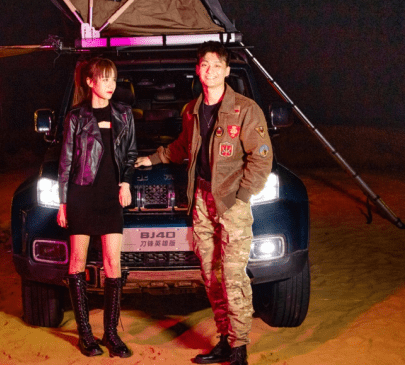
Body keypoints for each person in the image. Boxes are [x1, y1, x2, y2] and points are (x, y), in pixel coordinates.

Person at [135, 41, 273, 365]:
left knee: (234, 277)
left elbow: (261, 159)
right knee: (211, 276)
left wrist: (242, 196)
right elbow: (184, 146)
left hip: (231, 203)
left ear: (226, 70)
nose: (210, 71)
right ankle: (224, 340)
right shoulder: (192, 110)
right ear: (198, 70)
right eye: (204, 65)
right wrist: (153, 158)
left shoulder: (245, 109)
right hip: (201, 198)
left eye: (216, 65)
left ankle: (239, 348)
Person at [57, 57, 138, 358]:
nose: (110, 84)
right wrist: (63, 202)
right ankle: (85, 334)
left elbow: (130, 154)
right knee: (77, 263)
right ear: (90, 82)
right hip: (81, 194)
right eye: (104, 79)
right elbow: (65, 162)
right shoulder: (76, 117)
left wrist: (126, 183)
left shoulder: (124, 114)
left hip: (110, 198)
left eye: (113, 79)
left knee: (113, 264)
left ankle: (111, 334)